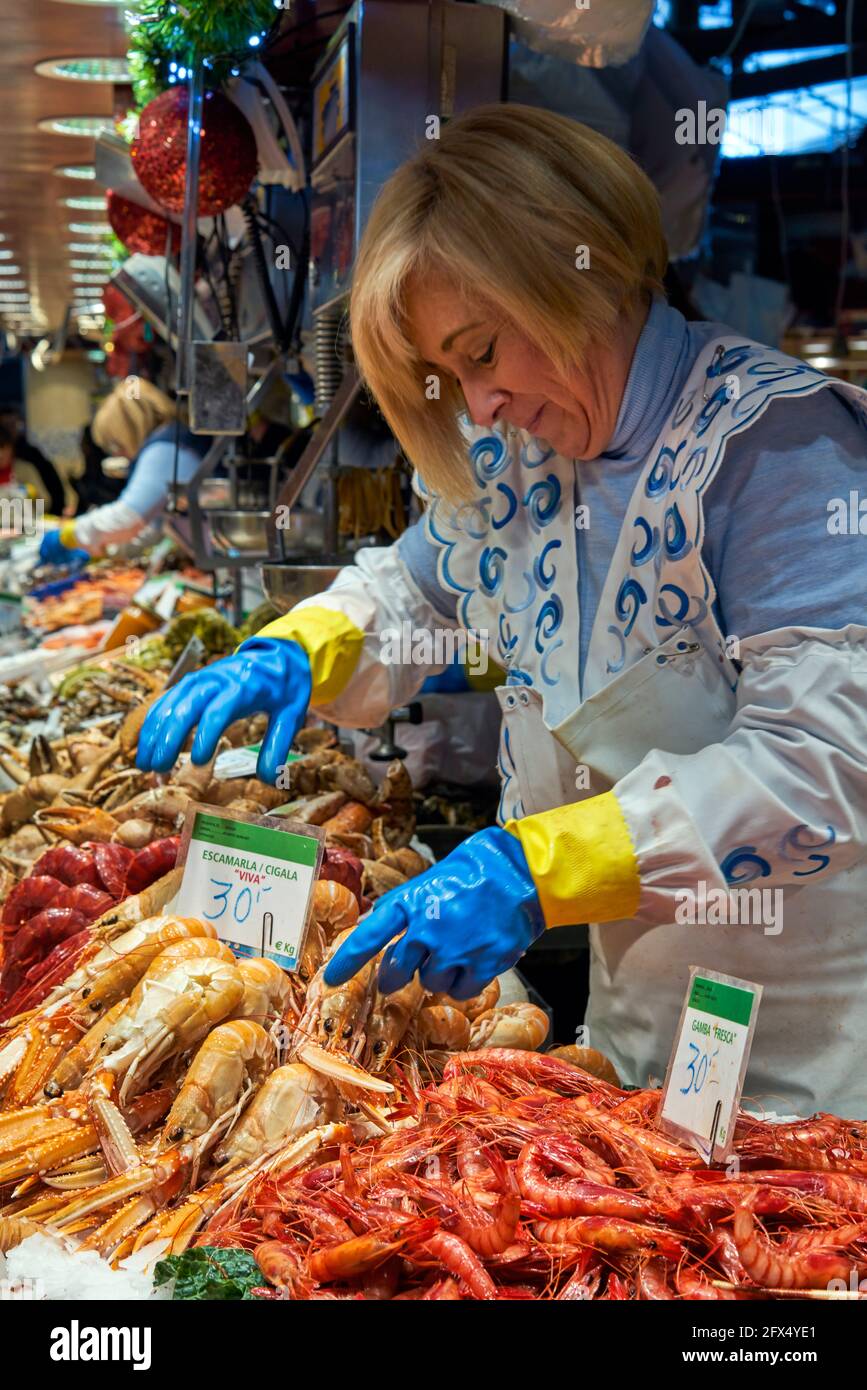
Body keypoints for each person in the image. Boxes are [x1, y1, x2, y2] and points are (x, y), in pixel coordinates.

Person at [137, 105, 867, 1114]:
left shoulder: (781, 448)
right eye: (449, 374)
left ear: (581, 275)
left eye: (480, 351)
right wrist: (303, 644)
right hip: (636, 1032)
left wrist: (538, 867)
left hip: (813, 1059)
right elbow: (412, 590)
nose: (477, 405)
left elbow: (822, 766)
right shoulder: (524, 460)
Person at [38, 379, 212, 567]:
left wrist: (70, 534)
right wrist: (105, 547)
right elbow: (150, 528)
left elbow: (127, 517)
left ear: (129, 429)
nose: (119, 454)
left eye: (116, 444)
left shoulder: (164, 450)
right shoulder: (171, 441)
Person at [0, 407, 66, 513]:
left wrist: (31, 495)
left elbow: (46, 501)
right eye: (6, 426)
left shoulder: (27, 465)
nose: (1, 454)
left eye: (4, 447)